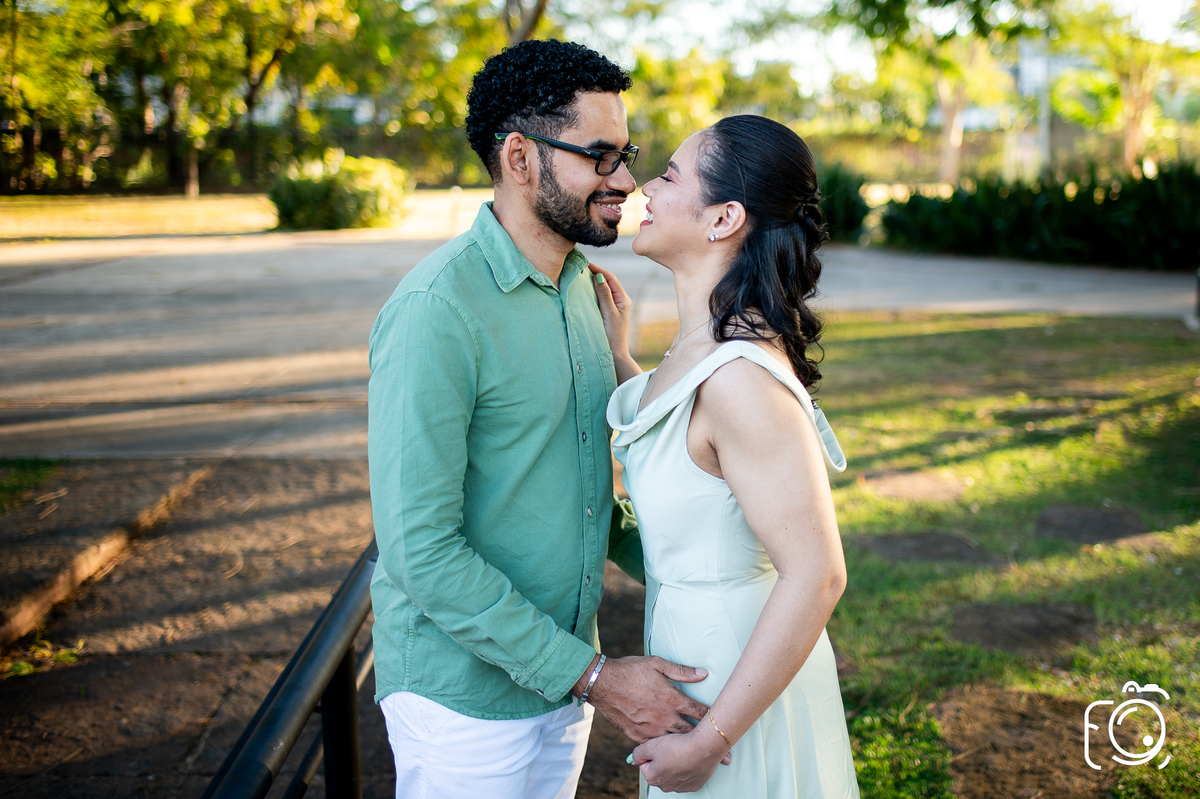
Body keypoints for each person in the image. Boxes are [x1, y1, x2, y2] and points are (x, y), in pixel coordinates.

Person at [366, 39, 714, 799]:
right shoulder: (436, 311)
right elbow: (420, 549)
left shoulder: (585, 290)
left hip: (561, 683)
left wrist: (720, 574)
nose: (625, 180)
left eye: (627, 154)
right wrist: (594, 675)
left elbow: (590, 497)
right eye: (599, 156)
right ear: (520, 159)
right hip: (463, 702)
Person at [591, 115, 860, 797]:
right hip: (696, 659)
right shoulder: (701, 352)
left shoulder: (741, 378)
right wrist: (623, 359)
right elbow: (680, 455)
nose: (644, 186)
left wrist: (712, 738)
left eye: (671, 174)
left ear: (723, 219)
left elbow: (819, 574)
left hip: (736, 689)